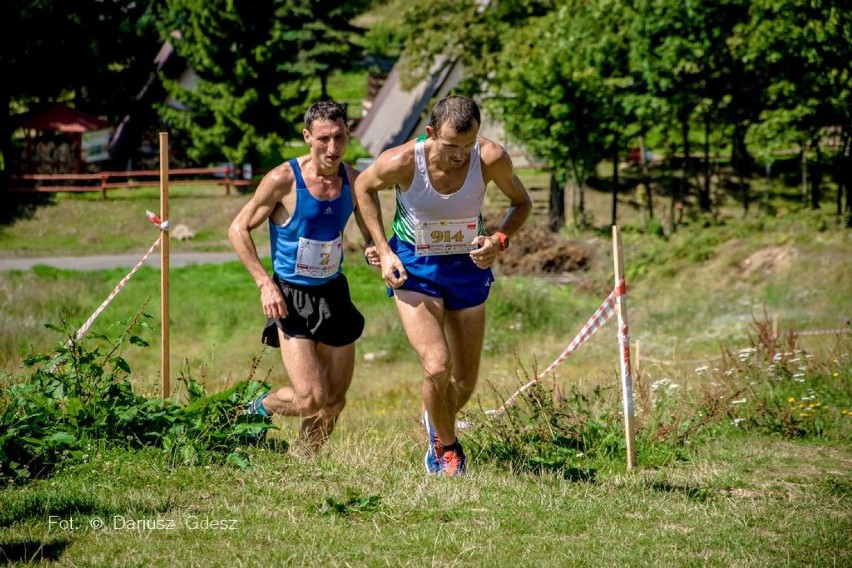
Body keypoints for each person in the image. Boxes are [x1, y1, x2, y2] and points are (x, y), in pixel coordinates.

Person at [353, 95, 532, 476]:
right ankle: (446, 450)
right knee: (437, 365)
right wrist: (383, 250)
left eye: (469, 145)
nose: (460, 156)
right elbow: (364, 188)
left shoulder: (490, 157)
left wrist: (499, 241)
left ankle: (436, 419)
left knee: (463, 382)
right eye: (452, 146)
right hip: (415, 267)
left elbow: (522, 202)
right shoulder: (401, 161)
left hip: (468, 266)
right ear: (432, 133)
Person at [229, 100, 379, 455]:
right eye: (324, 138)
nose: (333, 147)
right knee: (310, 398)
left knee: (334, 401)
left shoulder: (354, 181)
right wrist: (264, 283)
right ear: (307, 136)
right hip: (291, 296)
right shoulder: (284, 179)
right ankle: (255, 409)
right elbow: (238, 228)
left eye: (340, 138)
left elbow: (371, 228)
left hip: (333, 293)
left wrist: (375, 247)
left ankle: (304, 461)